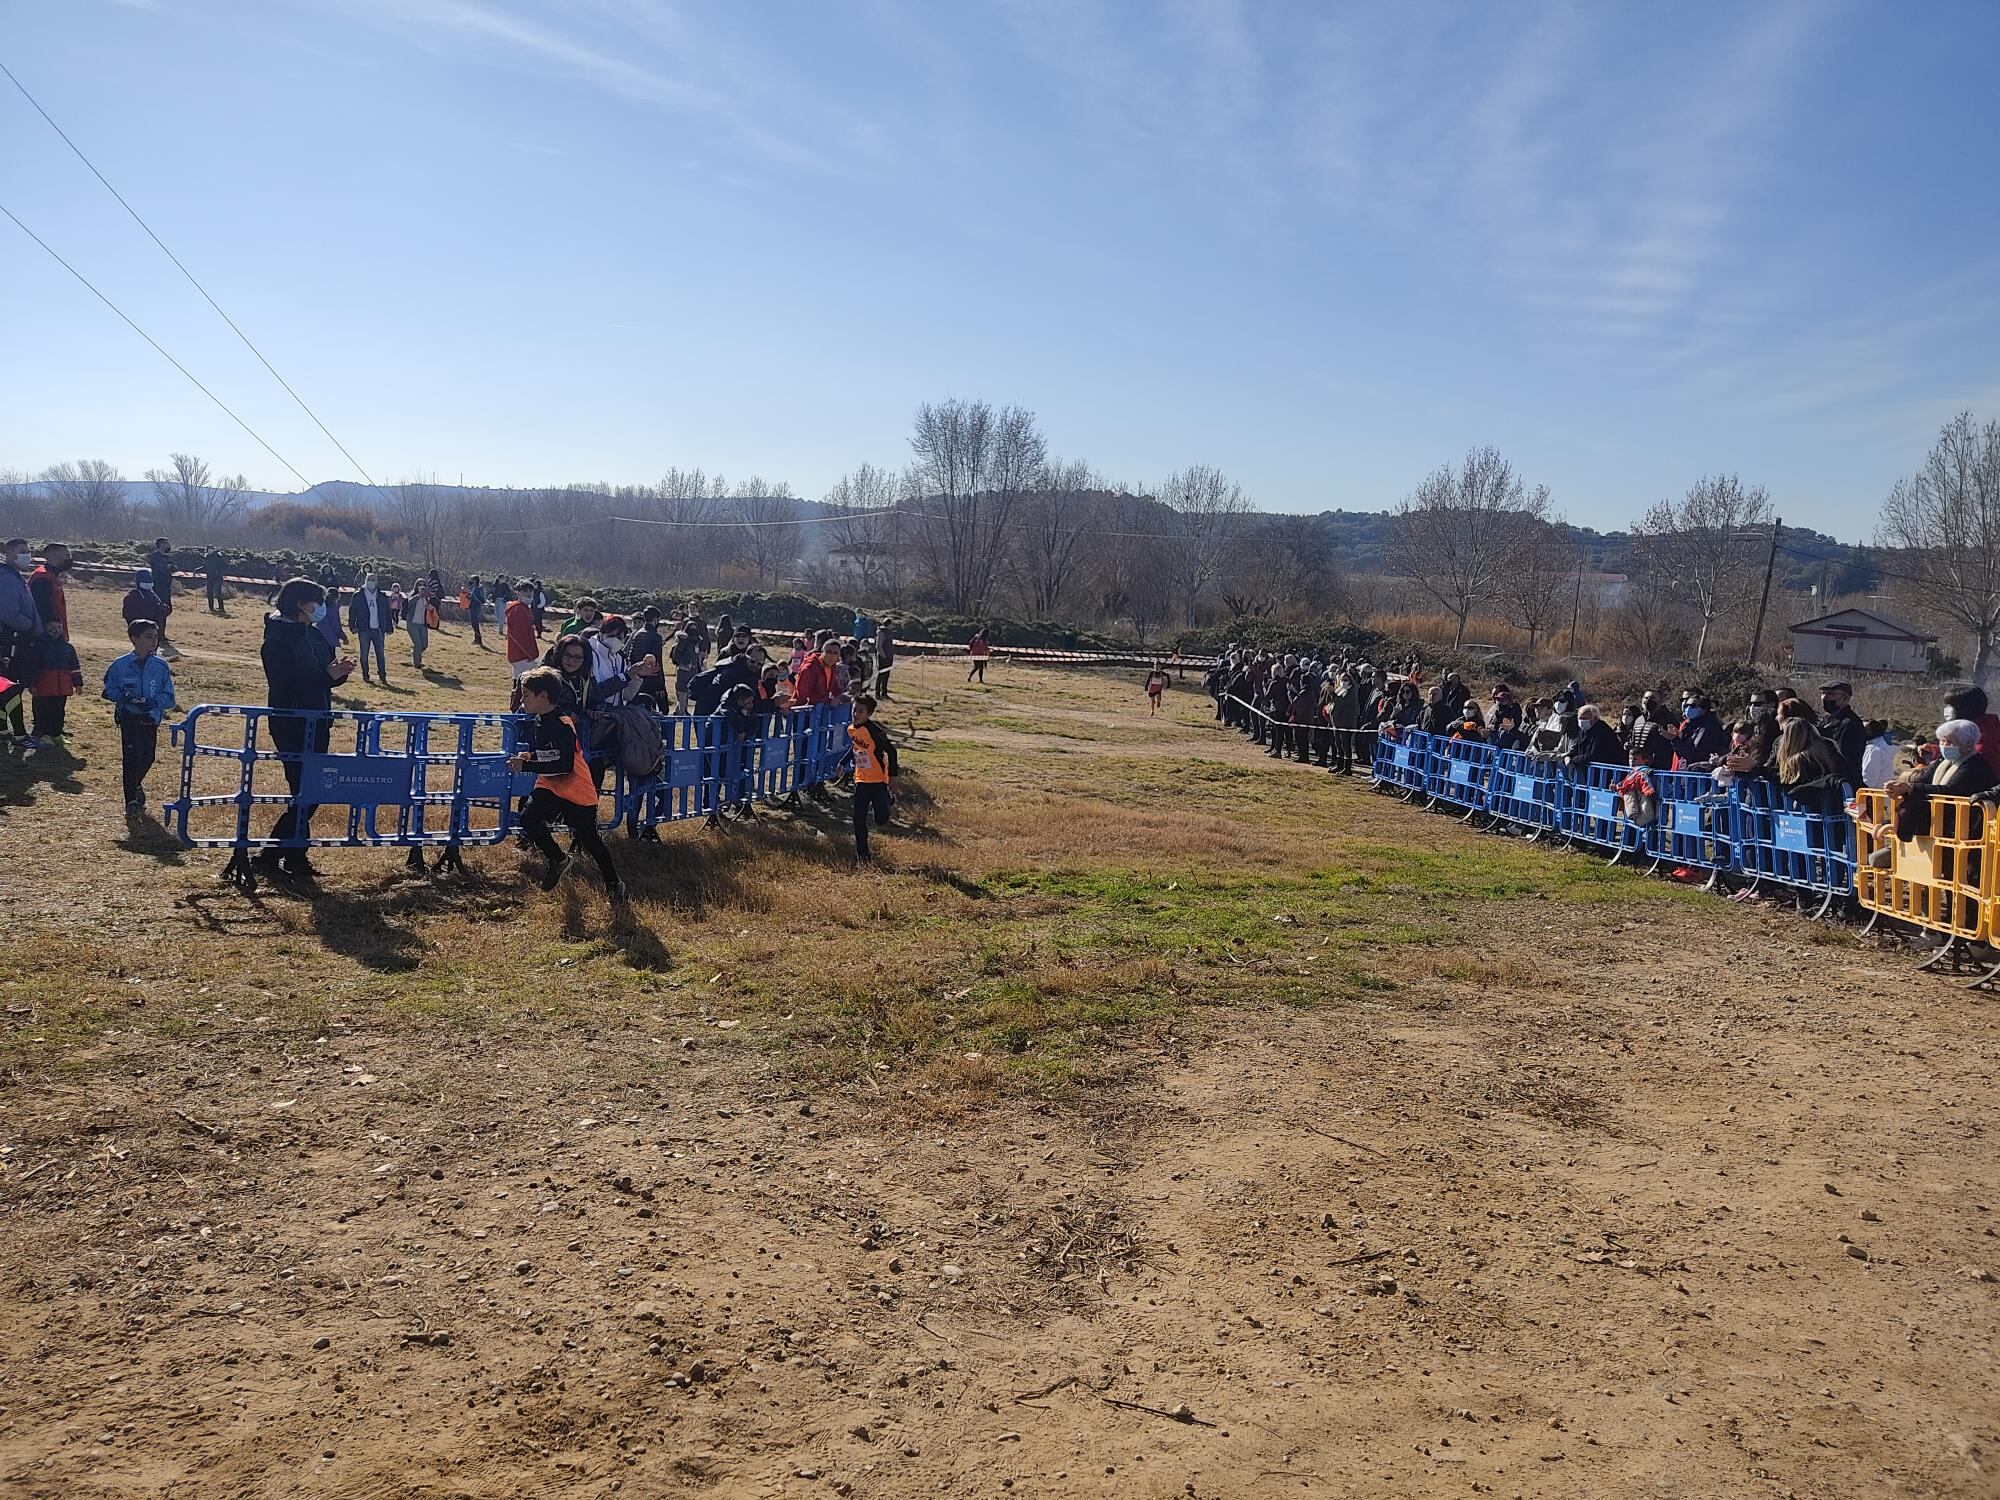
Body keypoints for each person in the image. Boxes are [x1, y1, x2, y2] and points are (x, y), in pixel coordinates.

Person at [257, 579, 357, 880]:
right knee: (305, 792)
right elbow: (286, 683)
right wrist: (326, 676)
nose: (321, 608)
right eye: (317, 602)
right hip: (291, 723)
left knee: (310, 792)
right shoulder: (277, 639)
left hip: (319, 720)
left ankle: (293, 857)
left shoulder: (313, 634)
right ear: (300, 604)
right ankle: (273, 855)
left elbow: (323, 673)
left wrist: (338, 674)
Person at [509, 665, 625, 900]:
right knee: (528, 818)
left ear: (543, 696)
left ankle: (613, 883)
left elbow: (563, 765)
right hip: (550, 785)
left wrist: (527, 766)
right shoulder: (541, 719)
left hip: (575, 789)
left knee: (589, 839)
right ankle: (558, 859)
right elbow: (548, 753)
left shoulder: (561, 724)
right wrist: (530, 756)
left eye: (526, 695)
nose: (522, 700)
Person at [102, 617, 176, 810]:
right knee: (131, 758)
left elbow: (169, 697)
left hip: (150, 718)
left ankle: (135, 785)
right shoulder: (120, 665)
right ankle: (131, 801)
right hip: (129, 717)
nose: (153, 641)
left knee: (147, 757)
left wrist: (154, 702)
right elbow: (108, 690)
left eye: (156, 637)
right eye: (148, 637)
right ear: (134, 639)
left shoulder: (161, 667)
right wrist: (125, 698)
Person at [1889, 720, 1997, 838]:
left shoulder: (1975, 764)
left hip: (1964, 828)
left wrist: (1910, 787)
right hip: (1941, 824)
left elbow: (1951, 789)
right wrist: (1899, 786)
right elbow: (1923, 780)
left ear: (1967, 745)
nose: (1944, 745)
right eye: (1942, 741)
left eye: (1950, 742)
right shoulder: (1943, 761)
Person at [847, 692, 899, 861]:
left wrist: (892, 778)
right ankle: (863, 854)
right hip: (861, 780)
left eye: (860, 711)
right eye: (854, 710)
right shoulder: (851, 729)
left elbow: (892, 751)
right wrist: (842, 763)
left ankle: (888, 800)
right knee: (858, 818)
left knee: (881, 819)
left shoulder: (875, 732)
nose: (856, 714)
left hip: (878, 781)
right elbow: (855, 749)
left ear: (869, 714)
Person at [27, 618, 83, 749]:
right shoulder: (38, 646)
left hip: (61, 686)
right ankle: (42, 734)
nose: (56, 631)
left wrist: (78, 684)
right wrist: (31, 684)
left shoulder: (68, 647)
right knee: (42, 710)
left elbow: (74, 666)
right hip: (43, 685)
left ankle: (56, 733)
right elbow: (32, 667)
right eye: (52, 628)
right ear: (45, 628)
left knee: (59, 710)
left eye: (59, 628)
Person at [347, 571, 394, 685]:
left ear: (377, 582)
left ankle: (382, 675)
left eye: (373, 580)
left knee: (380, 653)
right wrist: (352, 626)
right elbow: (352, 611)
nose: (371, 582)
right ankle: (365, 674)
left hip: (378, 629)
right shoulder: (358, 595)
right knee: (364, 653)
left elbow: (387, 612)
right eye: (369, 579)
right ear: (365, 581)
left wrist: (389, 627)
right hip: (364, 629)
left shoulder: (382, 596)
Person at [1943, 685, 2000, 777]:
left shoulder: (1981, 744)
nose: (1946, 709)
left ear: (1965, 708)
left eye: (1950, 705)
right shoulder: (1968, 735)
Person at [504, 580, 539, 700]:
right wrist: (529, 654)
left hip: (518, 654)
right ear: (518, 592)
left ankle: (515, 705)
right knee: (526, 686)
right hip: (522, 655)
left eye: (531, 591)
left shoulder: (522, 608)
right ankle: (519, 706)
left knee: (517, 682)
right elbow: (520, 635)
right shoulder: (519, 609)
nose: (529, 594)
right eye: (525, 591)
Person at [146, 539, 180, 659]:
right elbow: (160, 569)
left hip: (166, 587)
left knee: (166, 610)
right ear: (160, 545)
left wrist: (171, 567)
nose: (168, 546)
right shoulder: (155, 557)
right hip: (158, 587)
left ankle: (162, 635)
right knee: (159, 612)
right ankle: (157, 635)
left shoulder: (166, 557)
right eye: (166, 544)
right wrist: (167, 567)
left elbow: (175, 568)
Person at [28, 543, 71, 636]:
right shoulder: (43, 578)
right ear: (54, 557)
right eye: (67, 556)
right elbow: (42, 608)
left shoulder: (51, 575)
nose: (69, 560)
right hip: (47, 633)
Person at [1566, 704, 1626, 769]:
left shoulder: (1603, 731)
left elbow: (1594, 755)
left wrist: (1574, 760)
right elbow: (1578, 747)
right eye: (1579, 718)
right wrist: (1568, 757)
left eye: (1584, 718)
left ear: (1595, 718)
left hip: (1606, 770)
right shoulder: (1583, 730)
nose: (1581, 721)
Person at [123, 569, 171, 634]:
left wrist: (163, 609)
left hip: (153, 630)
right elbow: (131, 615)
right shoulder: (132, 596)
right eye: (145, 580)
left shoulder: (153, 594)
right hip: (141, 631)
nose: (148, 582)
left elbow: (163, 609)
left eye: (149, 579)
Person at [407, 578, 436, 670]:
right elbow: (409, 602)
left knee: (424, 644)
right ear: (416, 585)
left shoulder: (426, 597)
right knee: (418, 643)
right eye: (419, 584)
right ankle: (417, 664)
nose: (422, 586)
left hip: (422, 623)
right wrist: (418, 596)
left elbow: (426, 607)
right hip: (412, 623)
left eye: (423, 584)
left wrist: (430, 608)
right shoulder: (413, 594)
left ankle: (415, 653)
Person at [1861, 720, 1897, 789]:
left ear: (1868, 732)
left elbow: (1869, 779)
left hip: (1874, 792)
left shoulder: (1873, 750)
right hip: (1883, 791)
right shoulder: (1883, 746)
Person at [203, 548, 229, 614]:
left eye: (211, 549)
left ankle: (221, 608)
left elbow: (224, 566)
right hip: (210, 578)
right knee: (209, 593)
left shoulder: (218, 556)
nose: (209, 551)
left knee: (218, 593)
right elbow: (205, 566)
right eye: (208, 549)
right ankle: (211, 608)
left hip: (217, 578)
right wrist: (197, 570)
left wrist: (219, 573)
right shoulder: (207, 557)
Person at [466, 577, 487, 647]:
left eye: (472, 579)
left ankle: (479, 640)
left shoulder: (478, 588)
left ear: (475, 580)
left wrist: (469, 596)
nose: (470, 581)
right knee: (473, 623)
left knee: (475, 623)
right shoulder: (473, 587)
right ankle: (476, 639)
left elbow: (475, 597)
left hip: (475, 607)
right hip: (472, 606)